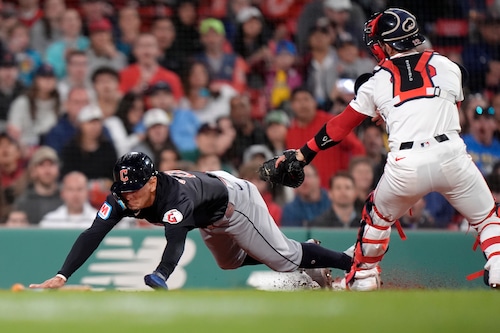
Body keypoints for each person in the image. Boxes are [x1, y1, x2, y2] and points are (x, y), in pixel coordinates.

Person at [272, 8, 500, 290]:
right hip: (451, 154)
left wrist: (303, 154)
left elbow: (339, 127)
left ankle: (365, 276)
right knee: (488, 217)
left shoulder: (377, 80)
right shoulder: (449, 66)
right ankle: (498, 263)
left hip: (406, 163)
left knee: (377, 217)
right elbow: (447, 109)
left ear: (389, 44)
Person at [29, 151, 353, 290]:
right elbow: (93, 233)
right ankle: (306, 253)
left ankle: (351, 263)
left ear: (153, 182)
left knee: (285, 258)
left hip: (234, 202)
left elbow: (176, 240)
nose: (127, 196)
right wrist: (62, 275)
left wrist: (161, 274)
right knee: (229, 263)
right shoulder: (124, 196)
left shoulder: (173, 198)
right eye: (123, 189)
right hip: (208, 211)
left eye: (134, 189)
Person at [13, 146, 63, 225]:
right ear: (33, 171)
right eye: (42, 165)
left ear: (58, 169)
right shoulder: (23, 202)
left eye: (51, 164)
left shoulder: (66, 198)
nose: (47, 170)